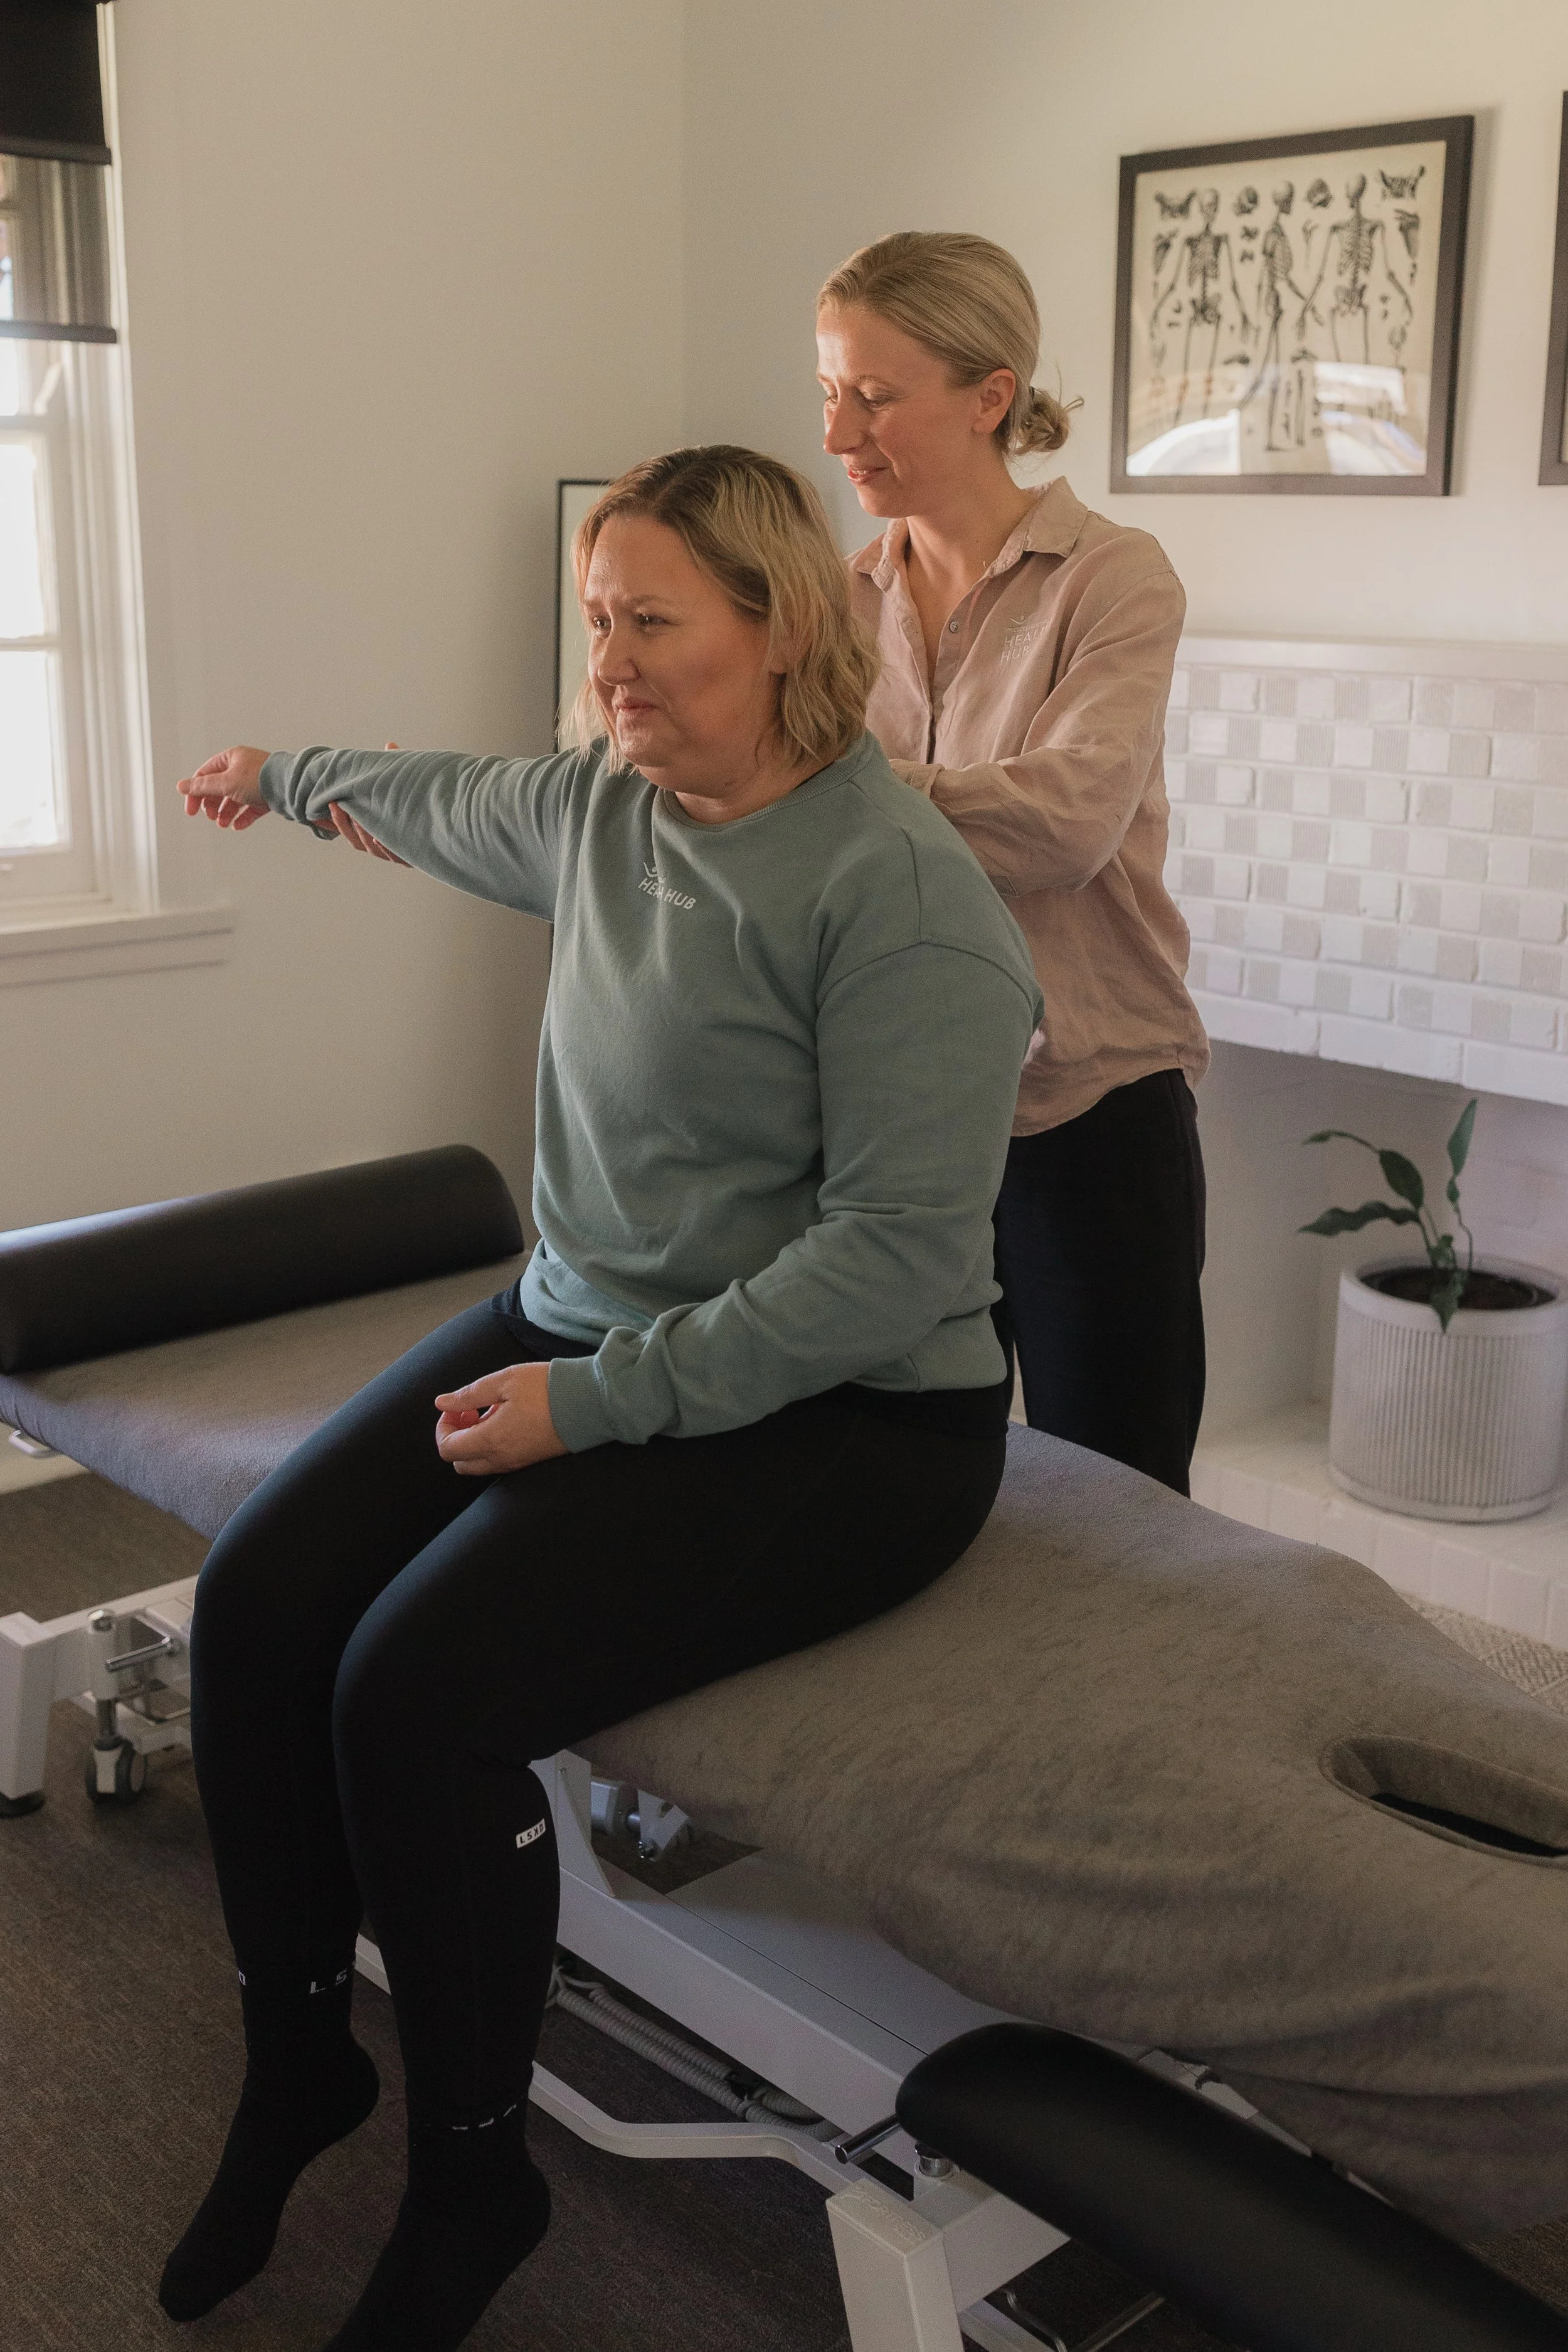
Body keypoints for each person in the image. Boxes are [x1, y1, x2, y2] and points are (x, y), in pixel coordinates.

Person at [162, 445, 1041, 2352]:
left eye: (652, 621)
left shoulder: (901, 899)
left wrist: (599, 1406)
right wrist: (282, 776)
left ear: (780, 623)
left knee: (413, 1690)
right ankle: (302, 2051)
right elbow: (440, 792)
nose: (611, 662)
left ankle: (477, 2169)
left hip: (861, 1414)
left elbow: (890, 1261)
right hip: (585, 1315)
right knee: (258, 1602)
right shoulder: (605, 814)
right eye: (595, 621)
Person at [816, 231, 1210, 1494]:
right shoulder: (835, 601)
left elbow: (1067, 821)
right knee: (922, 1478)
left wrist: (835, 793)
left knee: (1125, 1500)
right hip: (909, 1115)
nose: (838, 432)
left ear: (991, 396)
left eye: (873, 395)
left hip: (1088, 1109)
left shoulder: (1110, 579)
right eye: (828, 389)